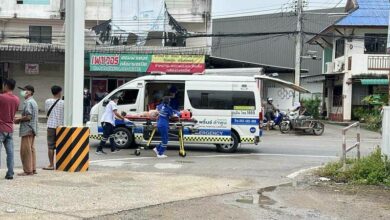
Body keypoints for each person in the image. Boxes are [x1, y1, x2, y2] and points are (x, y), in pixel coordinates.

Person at [14, 85, 38, 176]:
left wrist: (18, 120)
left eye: (25, 91)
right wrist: (20, 117)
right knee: (31, 149)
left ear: (30, 92)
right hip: (32, 128)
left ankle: (28, 170)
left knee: (25, 150)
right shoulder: (33, 101)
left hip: (27, 128)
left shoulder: (28, 102)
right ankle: (33, 168)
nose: (23, 92)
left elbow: (28, 116)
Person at [0, 79, 20, 180]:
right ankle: (10, 173)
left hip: (0, 127)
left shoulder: (1, 97)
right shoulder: (17, 99)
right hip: (10, 128)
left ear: (6, 86)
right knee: (10, 153)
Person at [44, 85, 64, 170]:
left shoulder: (48, 101)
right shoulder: (63, 102)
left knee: (50, 146)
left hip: (51, 126)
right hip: (60, 127)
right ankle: (60, 163)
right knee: (60, 146)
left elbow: (46, 112)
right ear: (59, 92)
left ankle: (51, 165)